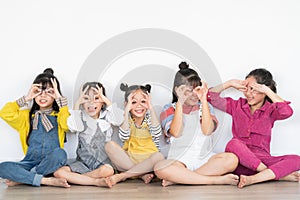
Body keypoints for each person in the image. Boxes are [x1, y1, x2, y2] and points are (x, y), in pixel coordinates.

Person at [208, 68, 300, 188]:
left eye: (254, 89)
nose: (248, 94)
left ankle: (253, 179)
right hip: (240, 161)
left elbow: (287, 112)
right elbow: (209, 96)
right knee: (233, 143)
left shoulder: (271, 110)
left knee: (297, 159)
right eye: (246, 89)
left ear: (264, 90)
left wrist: (267, 90)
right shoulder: (236, 105)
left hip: (263, 159)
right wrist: (229, 83)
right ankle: (269, 174)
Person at [154, 62, 239, 187]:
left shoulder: (206, 107)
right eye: (189, 91)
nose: (194, 95)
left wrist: (204, 100)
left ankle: (181, 178)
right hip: (179, 160)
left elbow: (207, 131)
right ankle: (214, 180)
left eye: (196, 90)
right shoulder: (169, 109)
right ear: (178, 90)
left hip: (205, 159)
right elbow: (176, 132)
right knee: (160, 168)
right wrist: (179, 102)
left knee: (232, 159)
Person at [0, 68, 70, 187]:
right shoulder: (26, 116)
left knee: (60, 154)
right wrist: (26, 98)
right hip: (29, 162)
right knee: (2, 167)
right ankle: (44, 180)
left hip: (50, 161)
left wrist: (59, 98)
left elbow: (67, 125)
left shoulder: (60, 116)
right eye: (39, 92)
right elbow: (5, 113)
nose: (43, 96)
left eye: (48, 92)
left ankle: (25, 178)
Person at [54, 82, 123, 188]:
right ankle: (94, 181)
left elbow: (119, 120)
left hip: (102, 163)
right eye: (86, 98)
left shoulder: (107, 116)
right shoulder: (80, 116)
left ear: (102, 103)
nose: (91, 103)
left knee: (108, 170)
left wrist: (105, 99)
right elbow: (74, 127)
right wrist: (77, 104)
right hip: (83, 162)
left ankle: (78, 179)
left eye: (96, 98)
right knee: (59, 173)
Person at [105, 83, 164, 186]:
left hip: (149, 161)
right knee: (109, 146)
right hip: (130, 160)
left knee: (159, 157)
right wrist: (126, 110)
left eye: (143, 101)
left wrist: (150, 107)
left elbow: (157, 132)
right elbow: (124, 136)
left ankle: (123, 176)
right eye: (134, 102)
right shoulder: (126, 119)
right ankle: (141, 174)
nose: (139, 105)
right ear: (126, 104)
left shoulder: (150, 118)